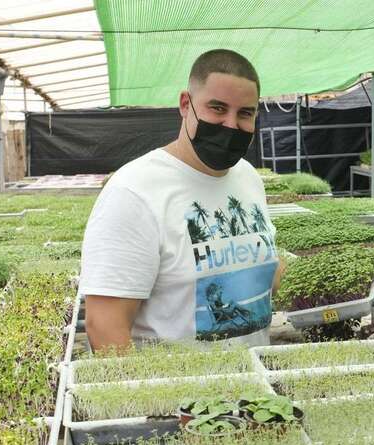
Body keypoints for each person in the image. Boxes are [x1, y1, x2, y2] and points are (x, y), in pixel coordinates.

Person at [81, 49, 284, 352]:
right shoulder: (134, 191)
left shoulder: (248, 178)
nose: (230, 125)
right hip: (176, 395)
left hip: (255, 388)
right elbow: (105, 324)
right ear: (185, 104)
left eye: (245, 113)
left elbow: (257, 268)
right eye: (217, 108)